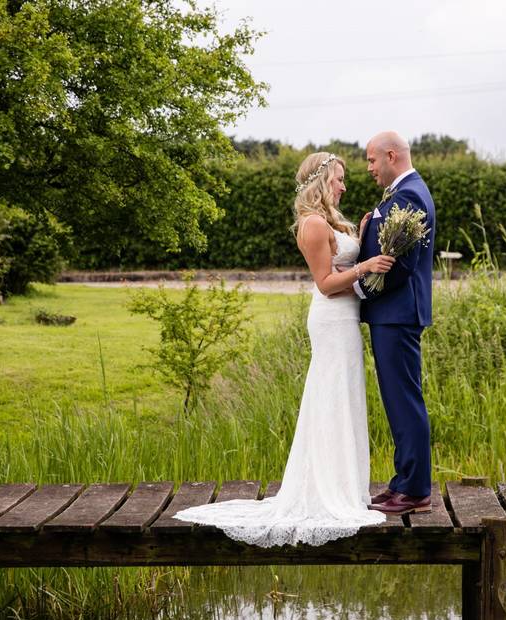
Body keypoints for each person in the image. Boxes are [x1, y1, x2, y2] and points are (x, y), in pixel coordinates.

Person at [173, 152, 392, 546]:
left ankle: (345, 486)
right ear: (320, 182)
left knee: (344, 396)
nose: (344, 186)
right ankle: (324, 490)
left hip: (346, 319)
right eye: (339, 179)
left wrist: (362, 235)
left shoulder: (331, 221)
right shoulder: (310, 223)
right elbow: (325, 282)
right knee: (329, 395)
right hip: (331, 319)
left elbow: (344, 260)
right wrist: (366, 266)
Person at [353, 131, 436, 516]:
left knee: (405, 401)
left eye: (372, 160)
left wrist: (361, 292)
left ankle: (416, 490)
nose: (369, 168)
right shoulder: (402, 193)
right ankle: (403, 483)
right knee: (397, 400)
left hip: (398, 313)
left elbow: (401, 264)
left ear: (391, 155)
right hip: (394, 314)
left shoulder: (410, 195)